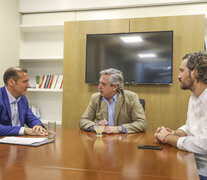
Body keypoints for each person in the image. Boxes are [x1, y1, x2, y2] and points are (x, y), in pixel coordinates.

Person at [154, 51, 207, 180]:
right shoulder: (194, 97)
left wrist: (168, 138)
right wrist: (174, 132)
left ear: (194, 72)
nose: (178, 76)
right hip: (192, 162)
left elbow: (204, 144)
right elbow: (190, 128)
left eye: (181, 71)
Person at [79, 68, 147, 134]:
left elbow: (142, 123)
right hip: (103, 141)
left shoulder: (131, 97)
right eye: (99, 83)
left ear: (114, 87)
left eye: (103, 84)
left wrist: (119, 129)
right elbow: (83, 121)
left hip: (123, 141)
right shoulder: (96, 98)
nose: (99, 87)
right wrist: (95, 126)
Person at [0, 67, 48, 136]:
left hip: (19, 142)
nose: (28, 85)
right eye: (24, 82)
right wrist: (24, 130)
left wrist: (38, 126)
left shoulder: (22, 98)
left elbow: (31, 118)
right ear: (11, 82)